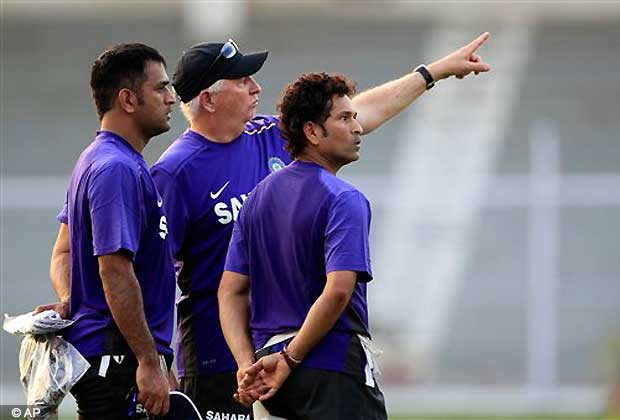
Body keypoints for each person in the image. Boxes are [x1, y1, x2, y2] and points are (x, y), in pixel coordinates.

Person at [153, 33, 490, 418]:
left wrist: (431, 74)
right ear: (209, 99)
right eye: (242, 80)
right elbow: (155, 275)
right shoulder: (174, 172)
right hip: (219, 359)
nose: (255, 86)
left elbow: (354, 115)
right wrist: (158, 365)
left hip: (285, 351)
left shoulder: (269, 136)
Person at [36, 43, 177, 419]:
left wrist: (72, 299)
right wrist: (148, 360)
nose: (172, 98)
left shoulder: (100, 159)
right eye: (161, 88)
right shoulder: (116, 168)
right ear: (128, 99)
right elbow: (114, 269)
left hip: (116, 359)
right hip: (118, 361)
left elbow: (63, 253)